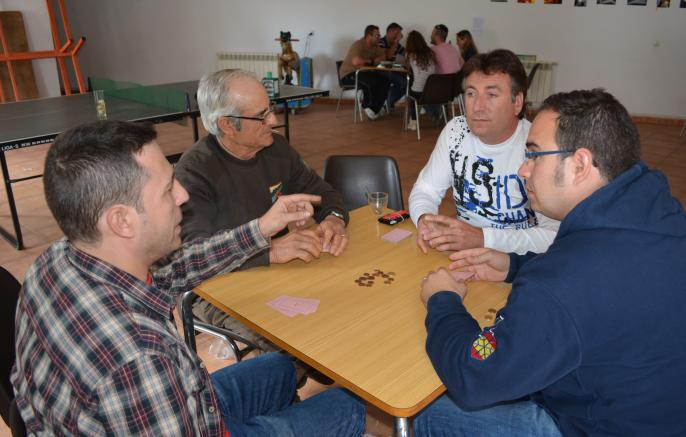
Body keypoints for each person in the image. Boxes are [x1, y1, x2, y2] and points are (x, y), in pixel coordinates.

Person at [11, 120, 365, 436]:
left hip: (178, 404)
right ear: (122, 221)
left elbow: (177, 269)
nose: (182, 195)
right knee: (350, 407)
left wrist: (259, 229)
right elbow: (140, 373)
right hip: (176, 415)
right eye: (168, 189)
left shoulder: (57, 260)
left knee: (279, 368)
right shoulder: (140, 361)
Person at [415, 89, 686, 436]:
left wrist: (443, 301)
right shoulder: (662, 214)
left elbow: (476, 373)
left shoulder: (560, 282)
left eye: (534, 155)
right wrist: (514, 265)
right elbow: (606, 281)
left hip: (600, 426)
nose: (523, 170)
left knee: (427, 411)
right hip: (663, 410)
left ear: (580, 165)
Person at [175, 69, 349, 354]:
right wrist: (271, 252)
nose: (273, 120)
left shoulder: (276, 148)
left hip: (278, 274)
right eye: (261, 115)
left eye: (271, 109)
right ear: (227, 125)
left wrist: (334, 219)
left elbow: (324, 194)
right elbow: (195, 256)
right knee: (286, 347)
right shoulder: (195, 173)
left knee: (340, 311)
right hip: (218, 288)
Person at [409, 49, 559, 255]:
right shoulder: (456, 131)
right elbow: (426, 189)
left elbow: (553, 235)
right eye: (471, 94)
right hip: (466, 254)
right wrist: (425, 219)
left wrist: (483, 239)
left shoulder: (539, 147)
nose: (478, 107)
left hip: (519, 261)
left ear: (517, 102)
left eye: (492, 94)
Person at [339, 24, 391, 120]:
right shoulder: (358, 44)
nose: (379, 37)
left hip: (363, 72)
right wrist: (372, 61)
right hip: (348, 74)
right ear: (368, 36)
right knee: (370, 82)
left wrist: (367, 61)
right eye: (377, 35)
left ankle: (374, 108)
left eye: (379, 35)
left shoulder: (375, 46)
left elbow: (383, 57)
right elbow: (356, 61)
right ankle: (367, 106)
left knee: (385, 81)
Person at [404, 30, 437, 131]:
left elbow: (407, 69)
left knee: (412, 91)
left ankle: (414, 121)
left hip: (418, 91)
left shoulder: (410, 55)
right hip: (431, 90)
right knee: (418, 86)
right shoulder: (430, 53)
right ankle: (427, 110)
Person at [378, 22, 407, 110]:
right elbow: (388, 56)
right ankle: (387, 102)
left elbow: (406, 54)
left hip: (392, 70)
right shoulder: (380, 42)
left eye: (399, 33)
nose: (399, 36)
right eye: (397, 33)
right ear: (390, 31)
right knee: (403, 82)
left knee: (409, 80)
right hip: (380, 70)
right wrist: (396, 41)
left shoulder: (397, 45)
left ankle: (388, 101)